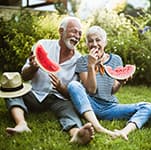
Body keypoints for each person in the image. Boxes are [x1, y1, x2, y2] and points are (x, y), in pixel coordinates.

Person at [4, 16, 95, 145]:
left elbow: (74, 94)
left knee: (69, 108)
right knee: (12, 89)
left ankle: (76, 134)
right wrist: (33, 68)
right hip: (33, 93)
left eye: (80, 34)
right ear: (61, 31)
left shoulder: (79, 60)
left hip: (58, 99)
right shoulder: (42, 45)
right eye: (74, 31)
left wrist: (61, 88)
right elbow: (24, 76)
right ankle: (21, 124)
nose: (77, 36)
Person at [67, 25, 151, 140]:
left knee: (147, 106)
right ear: (87, 44)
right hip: (90, 104)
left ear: (105, 42)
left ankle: (125, 131)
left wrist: (121, 82)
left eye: (98, 40)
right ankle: (98, 127)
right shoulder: (82, 61)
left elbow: (112, 90)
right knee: (74, 85)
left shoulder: (116, 59)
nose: (94, 44)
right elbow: (91, 90)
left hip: (109, 107)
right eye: (90, 41)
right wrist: (91, 65)